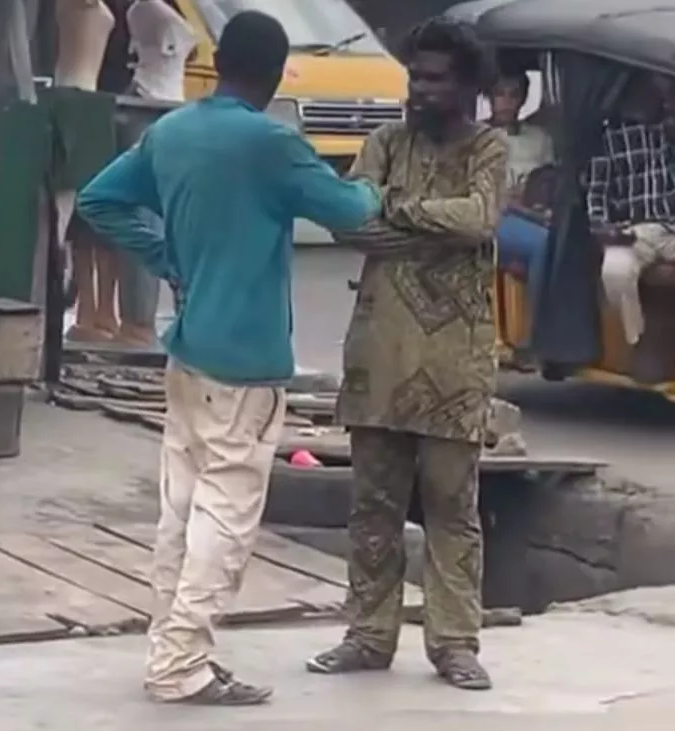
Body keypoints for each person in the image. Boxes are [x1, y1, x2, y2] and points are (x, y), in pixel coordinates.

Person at [77, 10, 381, 706]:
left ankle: (169, 647)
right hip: (244, 363)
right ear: (275, 75)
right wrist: (374, 183)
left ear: (219, 62)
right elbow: (351, 210)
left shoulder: (174, 129)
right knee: (225, 516)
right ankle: (182, 662)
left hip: (186, 352)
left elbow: (100, 200)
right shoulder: (273, 143)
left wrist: (167, 257)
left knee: (179, 512)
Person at [306, 18, 507, 690]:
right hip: (379, 358)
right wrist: (424, 224)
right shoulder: (385, 142)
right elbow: (349, 219)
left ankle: (454, 642)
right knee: (373, 505)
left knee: (453, 505)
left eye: (434, 78)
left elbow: (480, 218)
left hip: (456, 360)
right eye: (414, 75)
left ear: (470, 85)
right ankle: (367, 634)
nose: (418, 88)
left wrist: (397, 214)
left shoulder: (490, 149)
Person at [585, 72, 675, 346]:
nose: (664, 105)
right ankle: (638, 338)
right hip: (633, 231)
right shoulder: (610, 138)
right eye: (660, 97)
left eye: (668, 99)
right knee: (615, 270)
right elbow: (596, 194)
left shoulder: (670, 133)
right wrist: (601, 227)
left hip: (672, 226)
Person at [488, 69, 555, 334]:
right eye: (499, 94)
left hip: (536, 214)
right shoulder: (479, 137)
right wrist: (531, 214)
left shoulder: (539, 137)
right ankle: (535, 335)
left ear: (524, 98)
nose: (506, 102)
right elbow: (493, 196)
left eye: (514, 95)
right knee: (543, 243)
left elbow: (550, 180)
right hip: (495, 216)